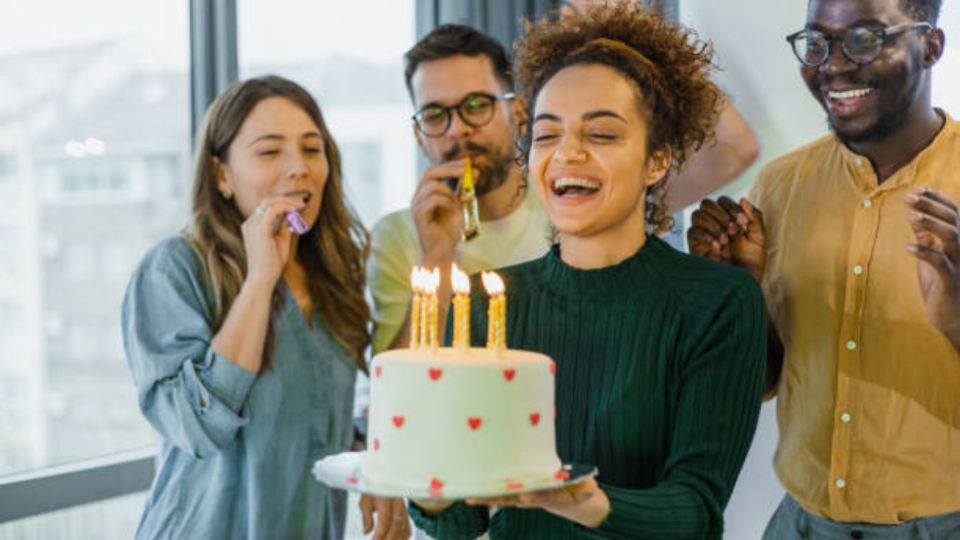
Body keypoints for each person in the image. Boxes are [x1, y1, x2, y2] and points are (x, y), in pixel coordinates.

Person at [407, 3, 767, 538]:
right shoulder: (489, 302)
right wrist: (419, 480)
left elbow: (695, 509)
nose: (567, 154)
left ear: (657, 160)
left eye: (600, 134)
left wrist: (583, 503)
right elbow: (460, 521)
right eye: (548, 135)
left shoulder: (718, 302)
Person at [688, 0, 960, 537]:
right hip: (801, 524)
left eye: (862, 39)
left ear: (930, 46)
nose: (833, 65)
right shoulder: (780, 187)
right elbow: (763, 380)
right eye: (818, 43)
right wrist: (739, 294)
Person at [122, 75, 409, 540]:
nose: (298, 168)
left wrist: (373, 464)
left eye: (312, 149)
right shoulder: (174, 270)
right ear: (222, 175)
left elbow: (325, 417)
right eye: (270, 151)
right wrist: (259, 281)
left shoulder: (335, 275)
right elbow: (194, 428)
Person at [367, 21, 759, 356]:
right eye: (435, 115)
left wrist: (639, 51)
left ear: (520, 112)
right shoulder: (400, 236)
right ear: (419, 136)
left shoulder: (583, 197)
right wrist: (437, 255)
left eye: (476, 105)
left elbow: (736, 148)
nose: (457, 128)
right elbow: (399, 391)